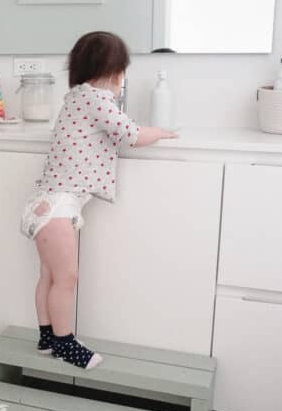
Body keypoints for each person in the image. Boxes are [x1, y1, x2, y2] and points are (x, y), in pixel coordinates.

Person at [20, 31, 177, 369]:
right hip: (58, 207)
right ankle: (65, 343)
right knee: (67, 279)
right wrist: (161, 132)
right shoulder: (97, 99)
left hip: (45, 205)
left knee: (49, 275)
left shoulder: (74, 97)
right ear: (116, 72)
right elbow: (131, 135)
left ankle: (47, 337)